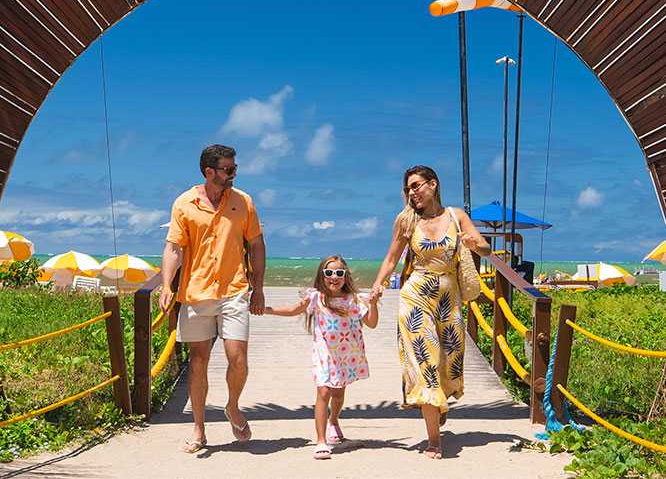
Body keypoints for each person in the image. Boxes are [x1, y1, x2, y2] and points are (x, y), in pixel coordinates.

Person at [371, 165, 490, 460]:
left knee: (449, 363)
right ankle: (434, 441)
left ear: (433, 184)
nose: (412, 192)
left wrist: (478, 245)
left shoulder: (456, 216)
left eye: (416, 186)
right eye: (408, 188)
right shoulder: (406, 221)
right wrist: (377, 285)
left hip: (449, 299)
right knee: (426, 364)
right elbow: (391, 258)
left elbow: (485, 249)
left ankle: (438, 406)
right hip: (416, 297)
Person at [159, 144, 266, 453]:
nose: (234, 174)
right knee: (198, 362)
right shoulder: (184, 203)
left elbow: (256, 245)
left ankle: (232, 406)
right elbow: (174, 248)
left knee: (238, 358)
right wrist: (166, 285)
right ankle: (199, 430)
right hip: (196, 293)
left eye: (234, 168)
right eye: (228, 169)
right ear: (209, 172)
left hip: (234, 290)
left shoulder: (243, 201)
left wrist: (257, 287)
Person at [264, 255, 380, 461]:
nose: (333, 277)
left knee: (338, 394)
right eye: (329, 273)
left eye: (338, 273)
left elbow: (371, 323)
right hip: (324, 354)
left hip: (346, 355)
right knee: (323, 392)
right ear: (322, 276)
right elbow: (293, 310)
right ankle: (321, 441)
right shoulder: (316, 298)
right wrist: (266, 310)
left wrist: (374, 304)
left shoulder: (353, 299)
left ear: (345, 276)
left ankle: (333, 420)